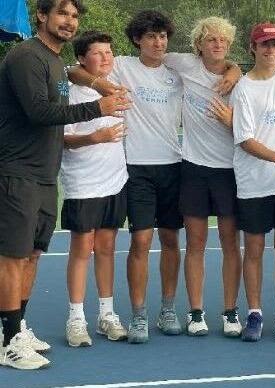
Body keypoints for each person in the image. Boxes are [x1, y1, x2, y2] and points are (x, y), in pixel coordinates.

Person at [0, 0, 128, 369]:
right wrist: (97, 108)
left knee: (33, 255)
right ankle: (8, 341)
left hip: (44, 175)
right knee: (13, 256)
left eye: (74, 16)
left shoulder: (55, 60)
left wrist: (98, 85)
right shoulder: (27, 56)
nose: (70, 22)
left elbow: (74, 72)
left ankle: (15, 327)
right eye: (62, 14)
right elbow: (39, 112)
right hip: (16, 172)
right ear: (42, 16)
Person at [69, 10, 187, 343]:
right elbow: (73, 69)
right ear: (138, 40)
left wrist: (235, 69)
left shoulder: (177, 73)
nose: (158, 42)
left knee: (170, 240)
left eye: (162, 36)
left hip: (173, 166)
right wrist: (103, 84)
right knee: (140, 241)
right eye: (151, 36)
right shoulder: (120, 65)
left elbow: (219, 67)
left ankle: (167, 310)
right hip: (134, 168)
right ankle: (138, 316)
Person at [162, 17, 242, 337]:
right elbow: (153, 56)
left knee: (230, 243)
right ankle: (196, 313)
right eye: (211, 39)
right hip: (193, 168)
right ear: (199, 45)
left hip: (228, 171)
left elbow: (249, 130)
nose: (218, 44)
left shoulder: (241, 82)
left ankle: (230, 311)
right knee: (195, 243)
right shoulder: (185, 65)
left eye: (223, 39)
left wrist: (231, 119)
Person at [231, 22, 275, 342]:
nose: (271, 50)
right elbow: (245, 139)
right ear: (253, 48)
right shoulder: (244, 88)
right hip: (254, 183)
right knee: (255, 250)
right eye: (265, 45)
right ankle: (255, 313)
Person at [61, 30, 129, 347]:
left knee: (106, 248)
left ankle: (107, 315)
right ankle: (76, 319)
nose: (105, 58)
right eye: (97, 53)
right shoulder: (69, 88)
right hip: (82, 183)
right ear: (81, 58)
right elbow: (62, 139)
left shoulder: (116, 81)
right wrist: (94, 138)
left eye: (108, 52)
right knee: (82, 248)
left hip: (115, 180)